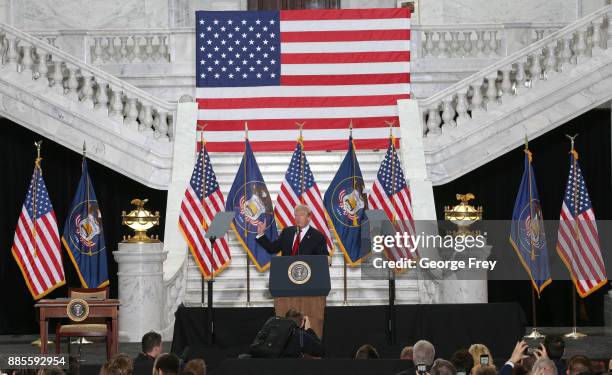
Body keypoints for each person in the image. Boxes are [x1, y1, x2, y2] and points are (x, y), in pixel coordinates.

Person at [256, 205, 327, 256]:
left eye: (301, 215)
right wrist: (261, 234)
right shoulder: (287, 232)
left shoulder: (318, 236)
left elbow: (323, 259)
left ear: (309, 217)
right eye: (296, 215)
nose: (298, 218)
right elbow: (272, 249)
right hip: (287, 272)